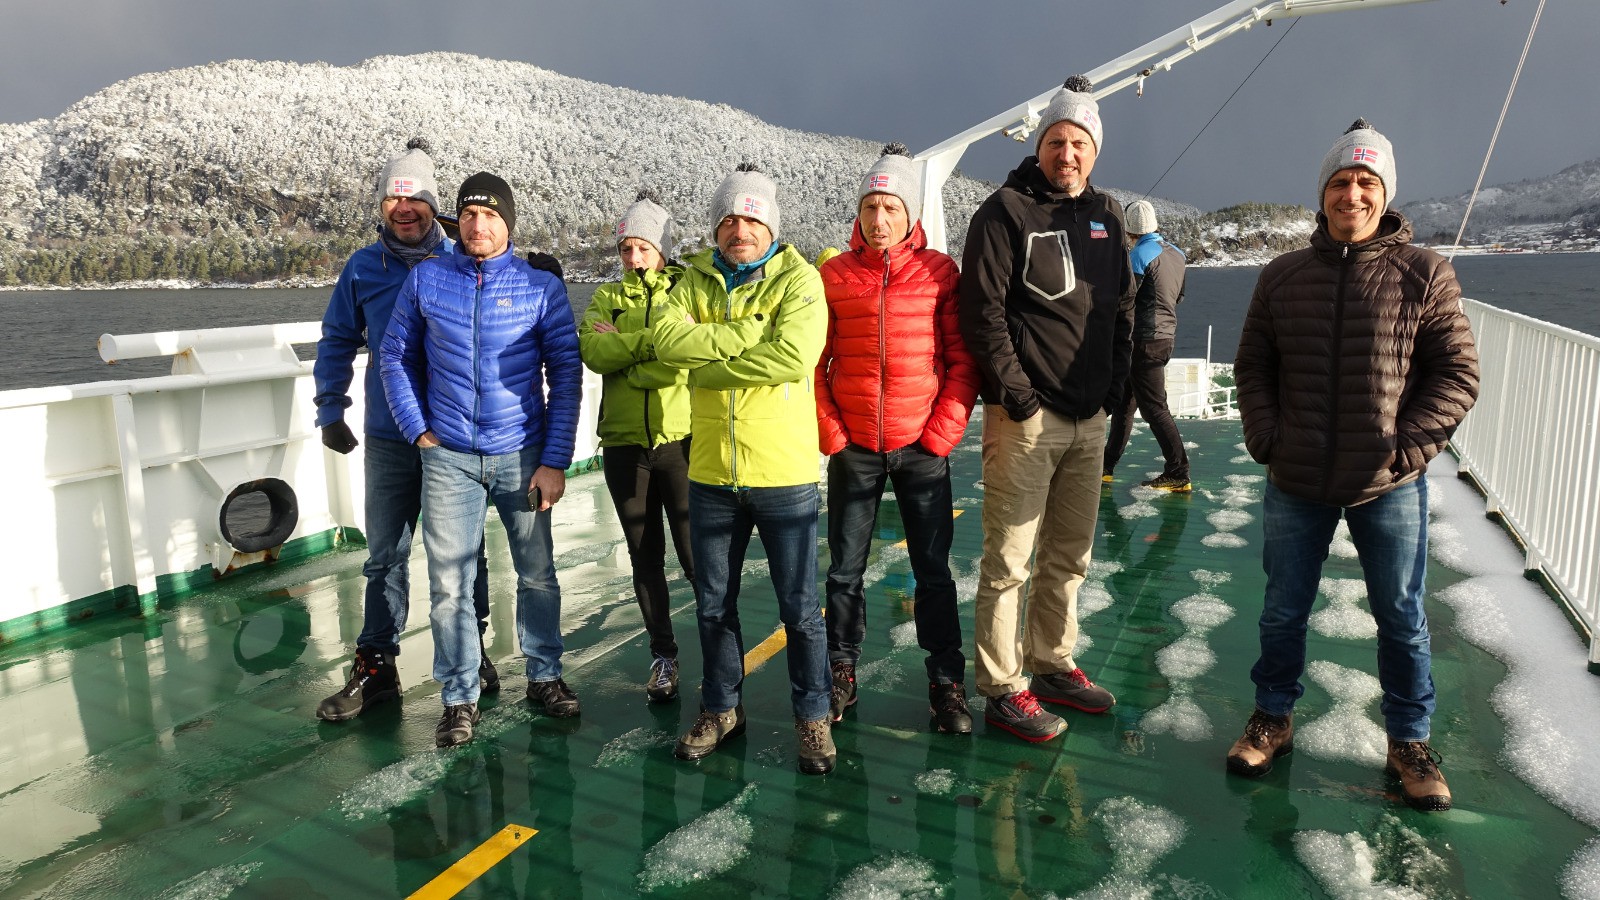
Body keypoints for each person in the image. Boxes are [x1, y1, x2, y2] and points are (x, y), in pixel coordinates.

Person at [1226, 119, 1479, 812]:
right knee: (1283, 611)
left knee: (1400, 615)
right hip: (1297, 478)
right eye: (1341, 181)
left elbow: (1455, 374)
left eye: (1367, 182)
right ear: (1323, 193)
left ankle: (1409, 741)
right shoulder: (1282, 276)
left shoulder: (1424, 273)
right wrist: (1267, 435)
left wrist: (1405, 449)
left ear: (1385, 193)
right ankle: (1272, 716)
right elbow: (1254, 366)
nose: (1353, 194)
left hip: (1387, 484)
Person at [379, 172, 585, 748]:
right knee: (449, 583)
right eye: (468, 214)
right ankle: (458, 696)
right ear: (456, 221)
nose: (477, 224)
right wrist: (417, 428)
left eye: (490, 215)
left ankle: (544, 674)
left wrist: (555, 459)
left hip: (522, 452)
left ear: (508, 223)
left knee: (537, 573)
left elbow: (566, 374)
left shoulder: (538, 287)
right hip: (449, 458)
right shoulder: (427, 279)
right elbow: (393, 355)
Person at [958, 75, 1131, 743]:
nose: (1069, 153)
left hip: (1089, 419)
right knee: (1008, 562)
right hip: (1027, 419)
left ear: (1095, 152)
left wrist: (1115, 388)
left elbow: (1123, 308)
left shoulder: (1107, 217)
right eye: (1058, 140)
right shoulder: (1005, 212)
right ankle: (1003, 687)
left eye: (1081, 142)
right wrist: (1018, 395)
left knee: (1070, 554)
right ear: (1041, 145)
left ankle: (1053, 662)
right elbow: (984, 313)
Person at [649, 163, 835, 775]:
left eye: (752, 217)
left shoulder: (800, 280)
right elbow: (668, 343)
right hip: (711, 475)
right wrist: (745, 333)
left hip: (783, 474)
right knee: (711, 604)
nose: (740, 228)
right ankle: (721, 708)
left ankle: (813, 716)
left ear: (770, 225)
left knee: (800, 609)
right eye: (729, 217)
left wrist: (709, 363)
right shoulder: (691, 280)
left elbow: (794, 356)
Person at [312, 138, 499, 722]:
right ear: (382, 208)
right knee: (384, 555)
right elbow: (338, 340)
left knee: (465, 549)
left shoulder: (463, 259)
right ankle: (377, 667)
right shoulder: (364, 268)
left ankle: (475, 649)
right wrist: (330, 409)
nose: (406, 210)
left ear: (432, 204)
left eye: (417, 199)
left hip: (450, 435)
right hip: (390, 435)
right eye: (395, 201)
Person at [815, 143, 981, 733]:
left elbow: (963, 362)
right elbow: (815, 362)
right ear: (858, 214)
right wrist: (832, 432)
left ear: (910, 214)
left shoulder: (939, 274)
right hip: (855, 446)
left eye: (890, 207)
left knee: (933, 571)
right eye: (870, 206)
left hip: (921, 445)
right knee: (844, 572)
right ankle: (841, 671)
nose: (879, 219)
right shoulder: (832, 277)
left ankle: (946, 683)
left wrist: (941, 434)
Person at [577, 189, 695, 703]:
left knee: (697, 556)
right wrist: (652, 344)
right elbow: (594, 351)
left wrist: (631, 352)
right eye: (626, 248)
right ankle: (663, 656)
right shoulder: (607, 297)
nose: (632, 258)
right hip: (625, 445)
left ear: (662, 249)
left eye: (643, 247)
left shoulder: (686, 293)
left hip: (680, 443)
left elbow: (686, 357)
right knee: (644, 555)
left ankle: (718, 649)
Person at [1102, 199, 1191, 492]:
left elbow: (1124, 299)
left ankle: (1178, 471)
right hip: (1165, 338)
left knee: (1154, 408)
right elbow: (1178, 297)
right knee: (1126, 405)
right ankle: (1105, 466)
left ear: (1129, 230)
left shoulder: (1139, 255)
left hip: (1143, 342)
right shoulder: (1176, 254)